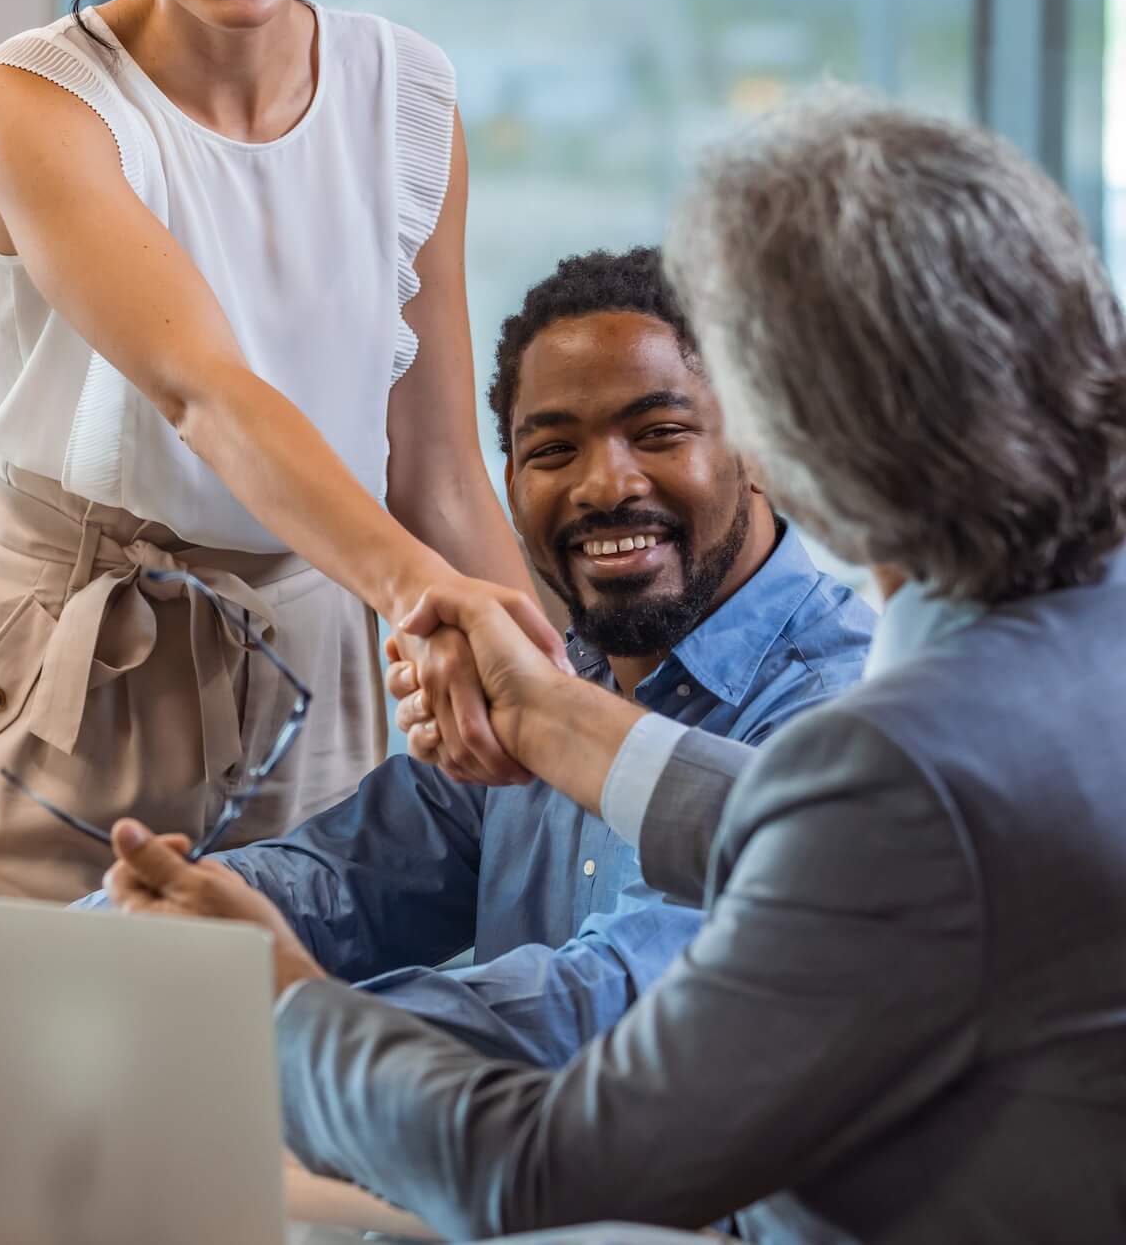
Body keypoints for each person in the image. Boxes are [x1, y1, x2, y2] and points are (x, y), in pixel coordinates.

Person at [108, 94, 1126, 1241]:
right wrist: (550, 718)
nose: (606, 484)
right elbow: (812, 825)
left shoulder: (890, 758)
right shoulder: (1073, 650)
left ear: (776, 444)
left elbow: (547, 1171)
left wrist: (269, 1007)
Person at [0, 0, 554, 902]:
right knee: (19, 1067)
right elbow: (200, 390)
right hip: (73, 642)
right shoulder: (29, 101)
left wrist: (560, 705)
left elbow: (435, 475)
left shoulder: (407, 97)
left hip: (320, 635)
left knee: (281, 1063)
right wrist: (419, 593)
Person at [94, 246, 872, 1067]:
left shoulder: (845, 710)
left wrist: (279, 1003)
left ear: (759, 452)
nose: (605, 486)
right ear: (509, 482)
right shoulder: (546, 676)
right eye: (552, 452)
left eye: (659, 433)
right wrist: (147, 926)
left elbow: (612, 1009)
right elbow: (338, 881)